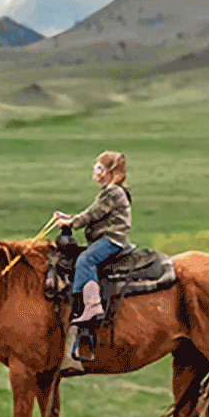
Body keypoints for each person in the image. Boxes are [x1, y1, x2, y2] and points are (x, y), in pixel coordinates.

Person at [52, 151, 132, 373]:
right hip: (105, 239)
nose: (94, 172)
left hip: (111, 240)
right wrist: (70, 219)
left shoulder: (113, 193)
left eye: (98, 168)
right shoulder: (108, 192)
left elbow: (93, 214)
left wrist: (72, 221)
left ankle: (91, 304)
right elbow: (92, 213)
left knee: (86, 259)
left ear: (108, 173)